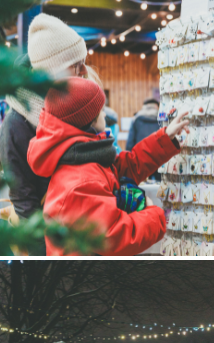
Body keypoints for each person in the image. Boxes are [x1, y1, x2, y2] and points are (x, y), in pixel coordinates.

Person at [27, 77, 190, 256]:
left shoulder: (83, 155)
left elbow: (125, 167)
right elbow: (115, 236)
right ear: (89, 120)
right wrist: (154, 215)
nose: (105, 114)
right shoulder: (81, 182)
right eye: (101, 110)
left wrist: (165, 138)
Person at [0, 14, 89, 256]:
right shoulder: (16, 124)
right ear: (53, 70)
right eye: (76, 64)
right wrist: (43, 257)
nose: (83, 72)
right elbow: (24, 199)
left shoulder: (72, 108)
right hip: (47, 242)